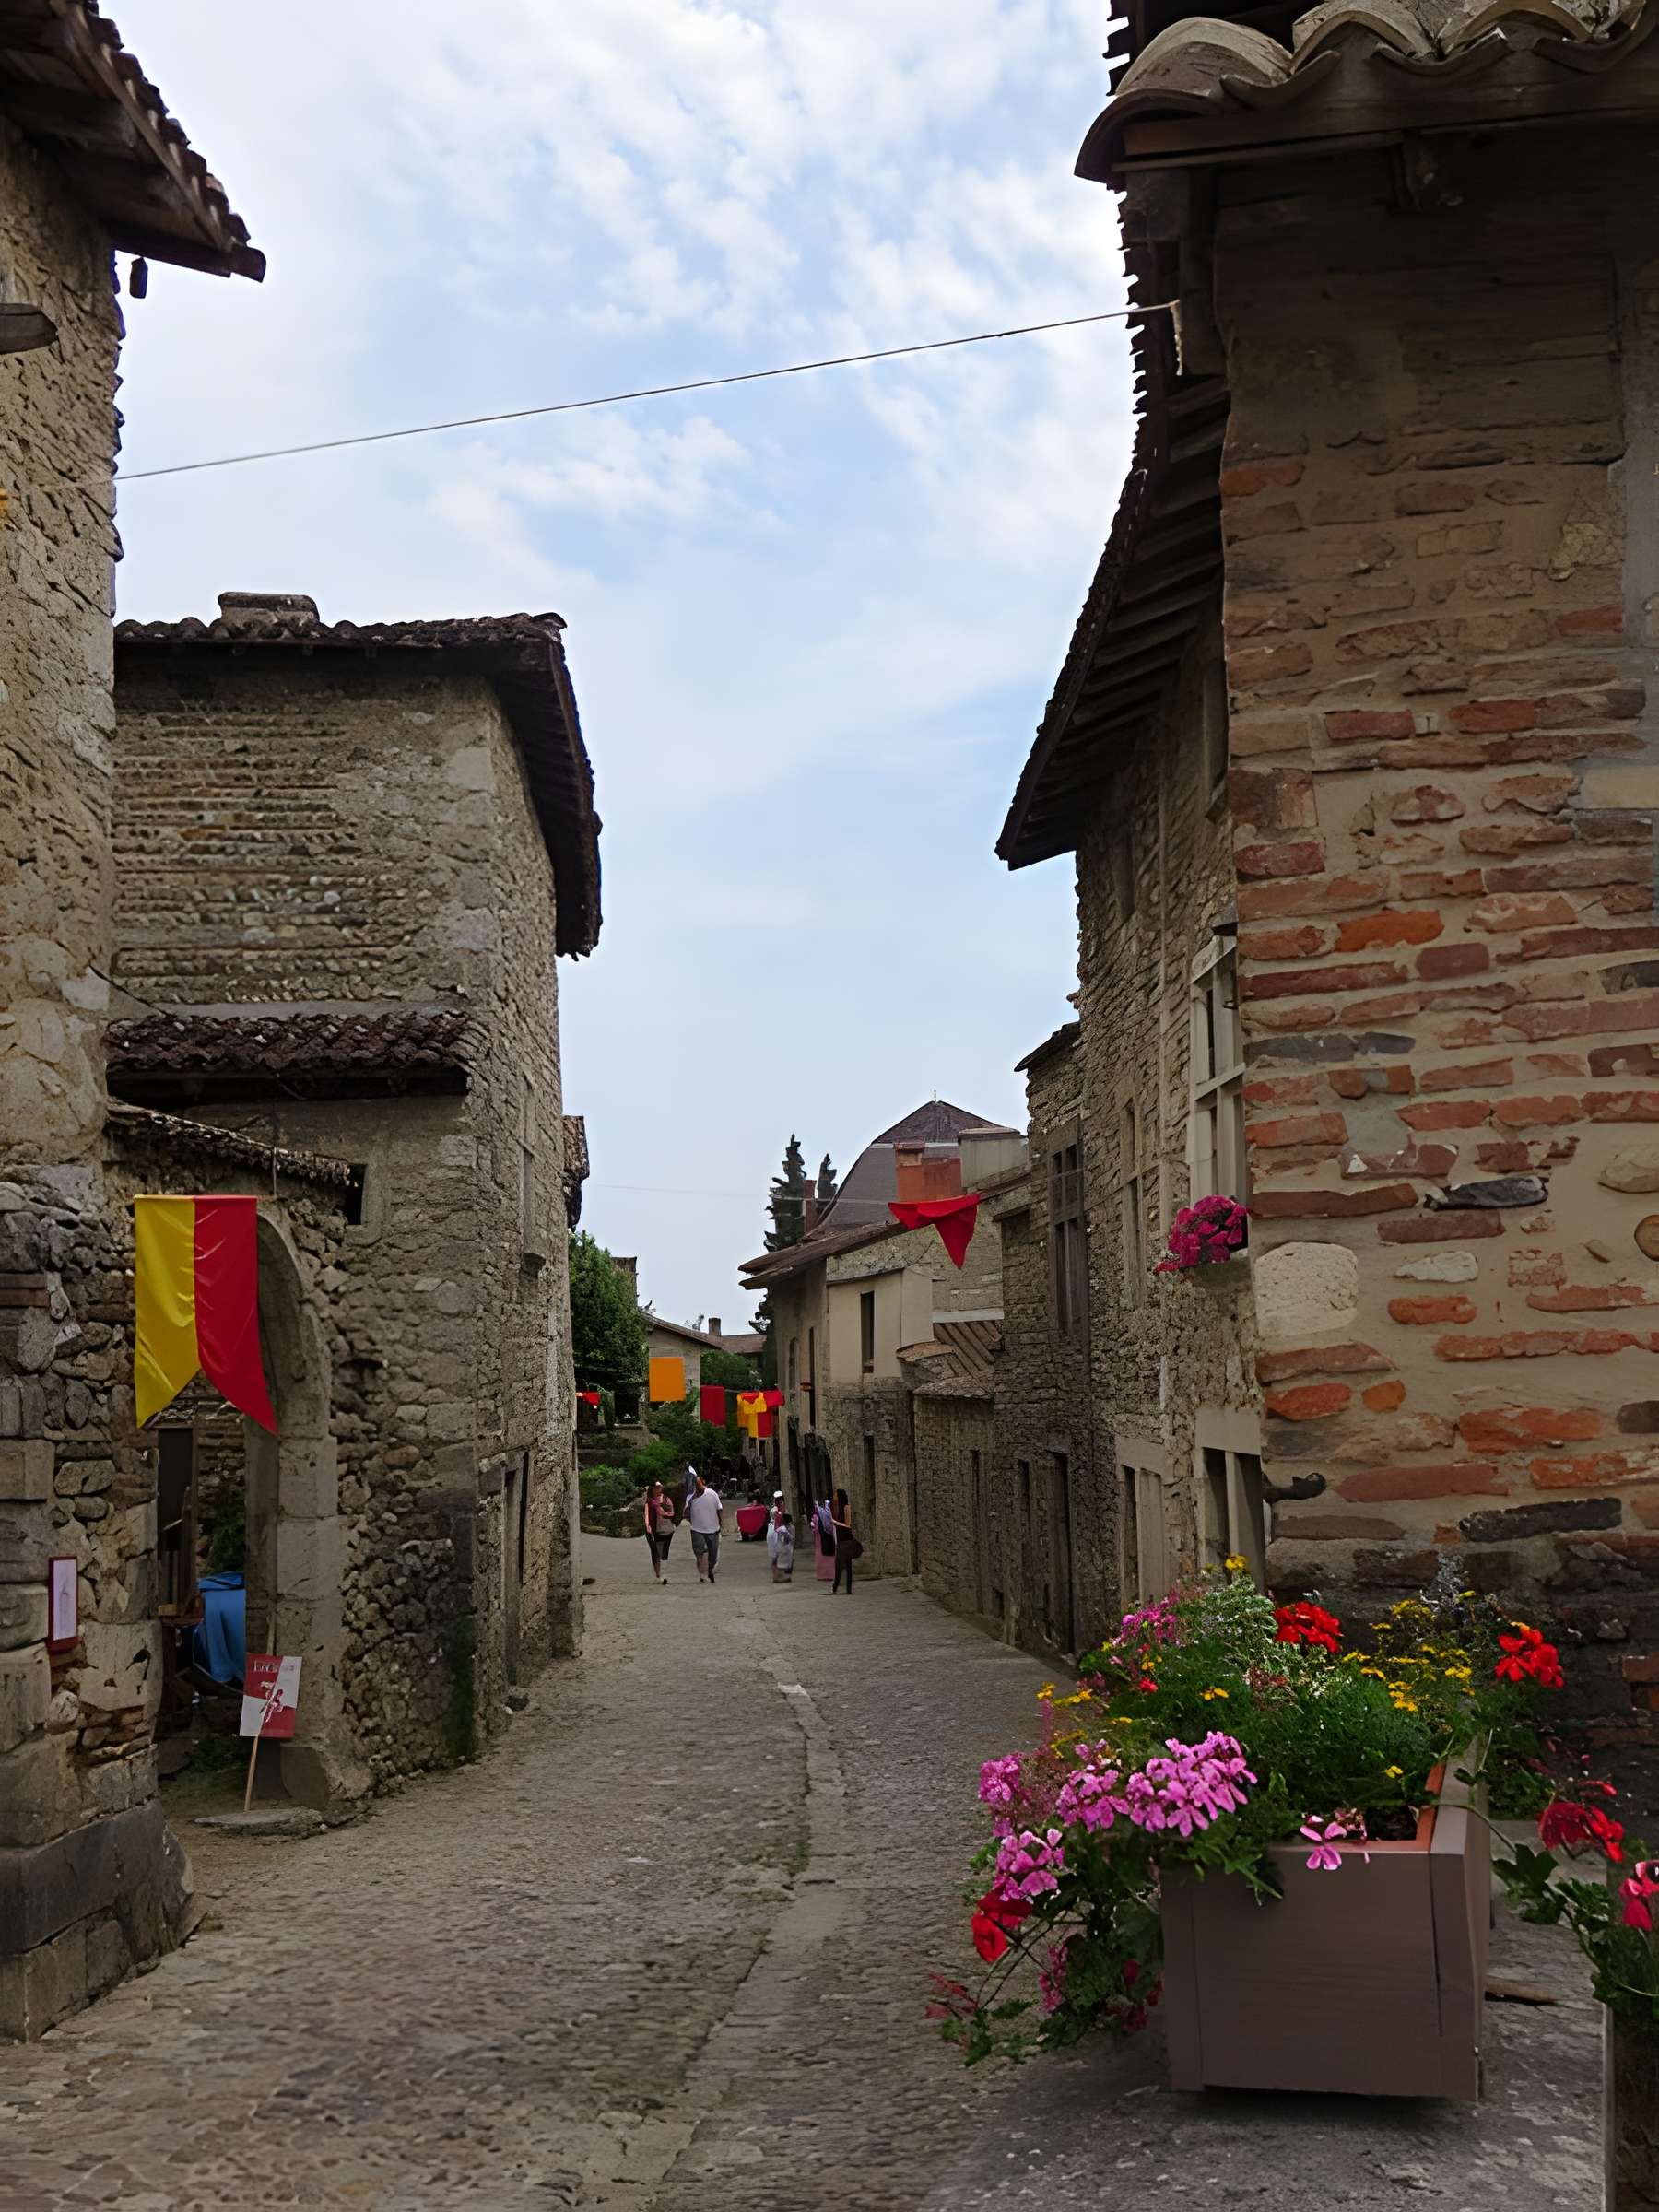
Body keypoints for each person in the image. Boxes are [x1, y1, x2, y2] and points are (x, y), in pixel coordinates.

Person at [686, 1471, 724, 1584]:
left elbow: (719, 1509)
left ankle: (709, 1570)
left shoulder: (712, 1494)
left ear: (702, 1482)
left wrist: (721, 1524)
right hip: (697, 1530)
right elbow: (685, 1513)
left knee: (713, 1556)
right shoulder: (690, 1498)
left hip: (713, 1529)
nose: (698, 1486)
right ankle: (703, 1575)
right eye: (695, 1484)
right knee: (701, 1553)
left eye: (699, 1483)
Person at [645, 1480, 675, 1583]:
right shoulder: (648, 1501)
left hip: (666, 1529)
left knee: (664, 1552)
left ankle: (663, 1575)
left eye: (659, 1487)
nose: (658, 1489)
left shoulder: (666, 1499)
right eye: (656, 1487)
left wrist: (662, 1510)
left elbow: (671, 1513)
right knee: (655, 1552)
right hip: (653, 1530)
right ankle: (658, 1575)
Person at [831, 1488, 858, 1595]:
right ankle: (836, 1587)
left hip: (846, 1539)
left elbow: (848, 1524)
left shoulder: (846, 1508)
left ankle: (847, 1588)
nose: (834, 1497)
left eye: (836, 1495)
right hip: (840, 1539)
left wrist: (836, 1523)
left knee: (846, 1565)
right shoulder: (836, 1509)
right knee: (839, 1565)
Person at [813, 1495, 835, 1583]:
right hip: (825, 1537)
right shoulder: (827, 1513)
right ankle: (829, 1574)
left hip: (820, 1538)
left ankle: (824, 1575)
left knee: (823, 1556)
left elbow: (814, 1527)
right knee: (828, 1556)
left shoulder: (816, 1515)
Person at [773, 1512, 794, 1583]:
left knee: (781, 1563)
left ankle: (780, 1577)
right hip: (787, 1547)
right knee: (786, 1563)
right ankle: (785, 1577)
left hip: (785, 1547)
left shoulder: (785, 1528)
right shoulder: (788, 1528)